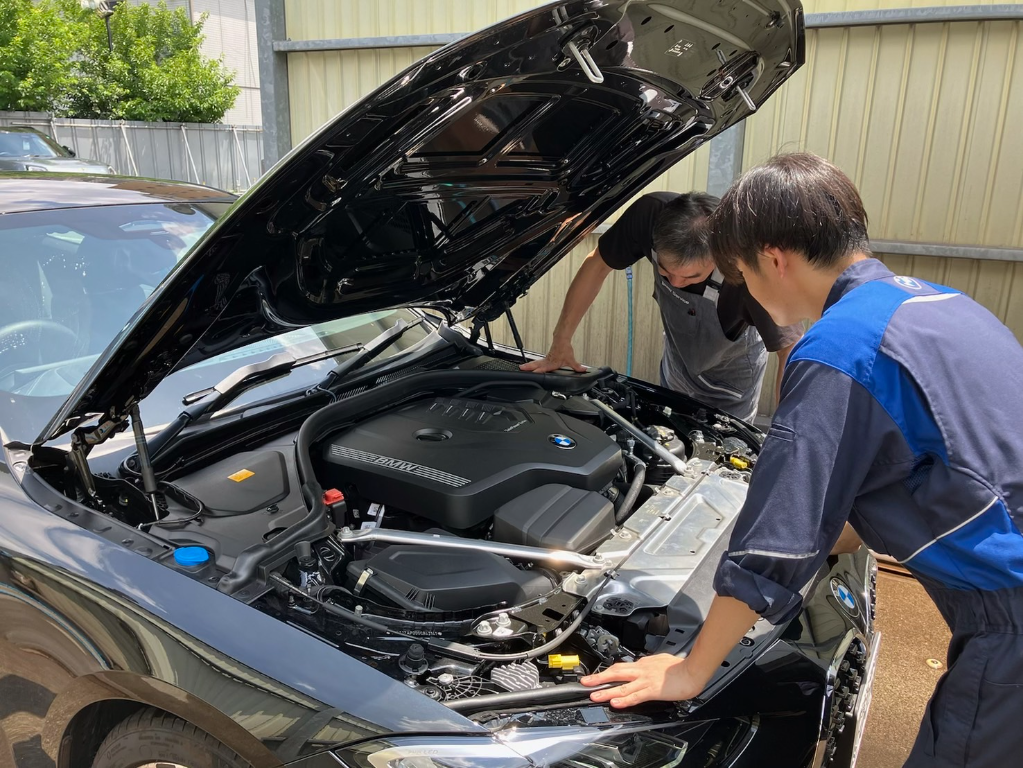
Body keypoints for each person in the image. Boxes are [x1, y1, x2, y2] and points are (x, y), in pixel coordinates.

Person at [580, 153, 1023, 767]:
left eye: (739, 277)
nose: (744, 295)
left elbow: (778, 546)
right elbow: (929, 469)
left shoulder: (840, 350)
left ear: (774, 259)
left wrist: (690, 669)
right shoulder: (941, 305)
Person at [520, 191, 803, 422]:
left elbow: (791, 350)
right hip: (678, 362)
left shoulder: (754, 268)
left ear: (720, 255)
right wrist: (560, 343)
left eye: (692, 276)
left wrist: (786, 433)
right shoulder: (649, 215)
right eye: (666, 273)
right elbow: (597, 263)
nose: (677, 283)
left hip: (731, 382)